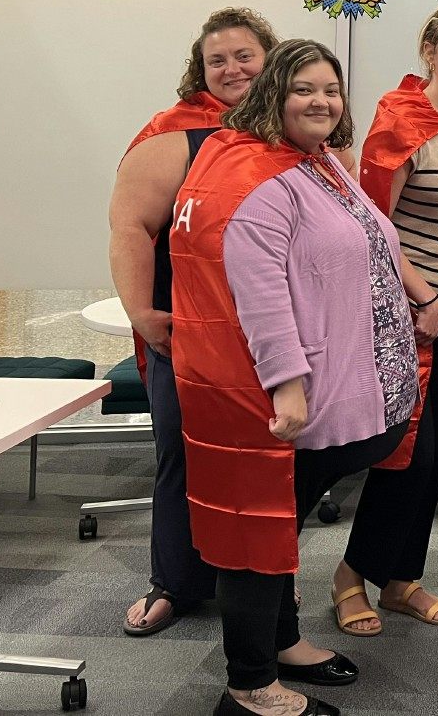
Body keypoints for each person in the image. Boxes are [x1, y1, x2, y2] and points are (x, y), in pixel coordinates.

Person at [169, 39, 417, 716]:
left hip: (349, 379)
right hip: (289, 396)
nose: (321, 101)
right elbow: (258, 293)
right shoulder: (253, 175)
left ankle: (281, 641)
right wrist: (287, 382)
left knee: (284, 522)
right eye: (304, 88)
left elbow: (370, 234)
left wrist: (412, 286)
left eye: (331, 90)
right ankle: (250, 686)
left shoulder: (316, 161)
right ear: (273, 93)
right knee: (257, 534)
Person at [109, 6, 277, 638]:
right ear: (199, 69)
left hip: (267, 328)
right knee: (180, 449)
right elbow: (130, 226)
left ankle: (253, 581)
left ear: (269, 58)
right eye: (218, 59)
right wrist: (140, 312)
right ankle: (174, 582)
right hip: (184, 325)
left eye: (245, 55)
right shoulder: (173, 131)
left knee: (264, 455)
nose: (233, 68)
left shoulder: (292, 128)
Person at [329, 0, 438, 636]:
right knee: (409, 456)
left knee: (431, 450)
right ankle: (351, 574)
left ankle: (401, 579)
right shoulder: (401, 120)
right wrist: (419, 295)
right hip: (405, 313)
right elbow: (371, 227)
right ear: (429, 50)